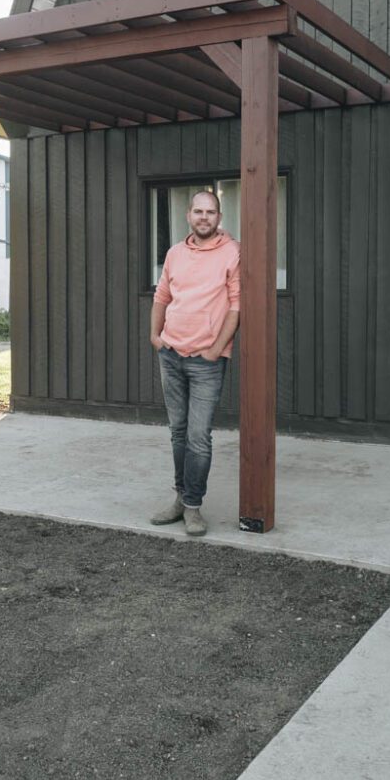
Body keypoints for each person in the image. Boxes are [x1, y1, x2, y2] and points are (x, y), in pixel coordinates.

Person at [149, 189, 240, 536]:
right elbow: (162, 296)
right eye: (198, 211)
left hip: (206, 361)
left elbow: (236, 305)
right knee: (178, 432)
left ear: (219, 217)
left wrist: (217, 349)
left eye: (211, 212)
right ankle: (179, 498)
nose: (204, 217)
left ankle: (193, 507)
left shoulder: (232, 252)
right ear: (188, 215)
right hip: (170, 354)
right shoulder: (174, 253)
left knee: (199, 437)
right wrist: (155, 336)